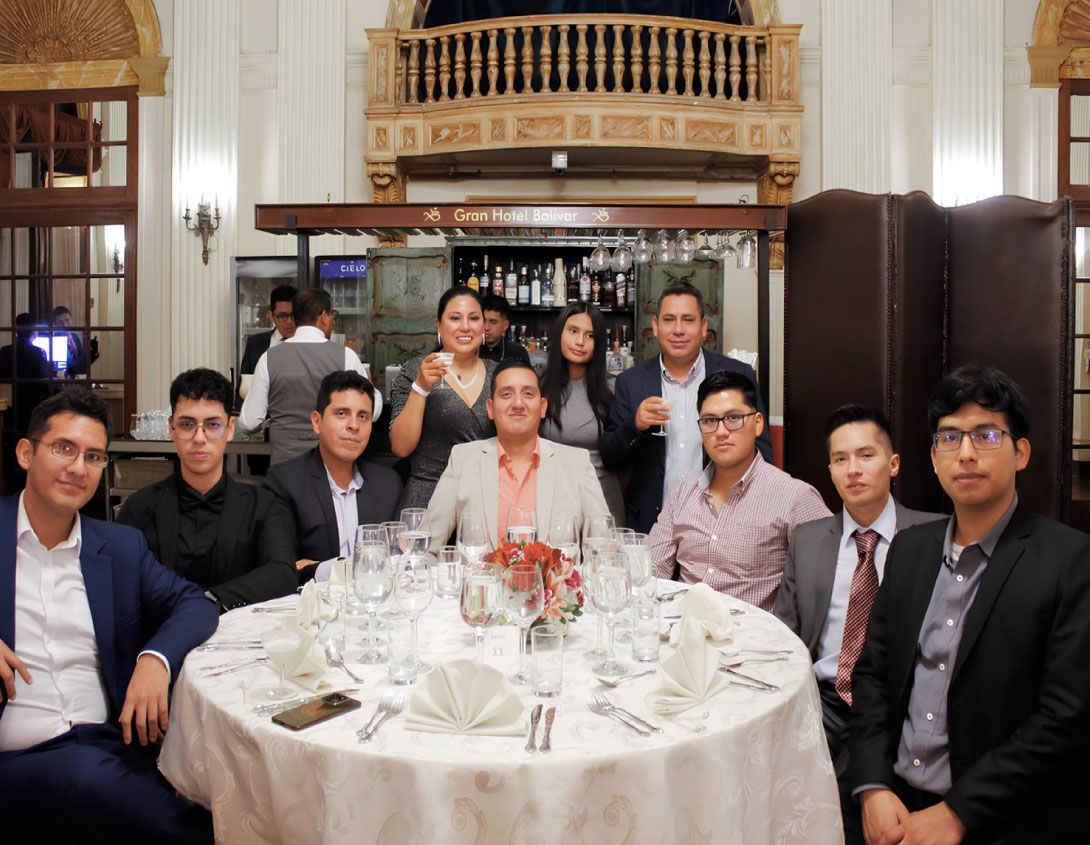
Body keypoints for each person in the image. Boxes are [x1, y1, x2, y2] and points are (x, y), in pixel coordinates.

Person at [851, 366, 1090, 845]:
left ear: (1021, 453)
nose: (965, 453)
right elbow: (872, 675)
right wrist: (872, 785)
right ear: (933, 457)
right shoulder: (910, 549)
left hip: (1000, 817)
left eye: (986, 435)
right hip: (894, 805)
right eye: (949, 438)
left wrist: (959, 812)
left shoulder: (1070, 561)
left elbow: (1066, 717)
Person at [0, 387, 217, 843]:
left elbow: (194, 603)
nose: (78, 467)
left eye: (94, 456)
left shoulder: (119, 547)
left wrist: (155, 659)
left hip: (108, 745)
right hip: (19, 755)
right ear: (26, 453)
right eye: (63, 448)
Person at [774, 404, 942, 840]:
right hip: (822, 703)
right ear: (829, 471)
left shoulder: (934, 537)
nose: (853, 469)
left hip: (899, 707)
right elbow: (785, 636)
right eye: (840, 459)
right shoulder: (808, 539)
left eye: (866, 455)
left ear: (894, 463)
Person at [648, 370, 829, 611]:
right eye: (710, 421)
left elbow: (828, 584)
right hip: (682, 624)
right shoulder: (683, 492)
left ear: (757, 424)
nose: (721, 432)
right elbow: (651, 569)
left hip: (750, 632)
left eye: (733, 418)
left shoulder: (795, 497)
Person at [117, 368, 296, 612]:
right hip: (162, 632)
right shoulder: (138, 508)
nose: (199, 438)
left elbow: (282, 573)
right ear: (171, 428)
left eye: (212, 425)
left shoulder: (262, 505)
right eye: (187, 424)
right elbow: (124, 581)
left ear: (230, 428)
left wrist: (210, 600)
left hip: (239, 632)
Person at [600, 283, 773, 534]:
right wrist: (635, 426)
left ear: (703, 327)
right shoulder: (631, 382)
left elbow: (762, 454)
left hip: (722, 522)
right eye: (669, 320)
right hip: (652, 523)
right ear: (656, 326)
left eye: (688, 320)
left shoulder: (737, 375)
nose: (678, 330)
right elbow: (610, 456)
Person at [425, 359, 610, 550]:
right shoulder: (463, 459)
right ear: (490, 409)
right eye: (506, 394)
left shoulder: (576, 463)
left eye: (528, 394)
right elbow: (426, 546)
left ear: (543, 407)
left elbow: (604, 549)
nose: (518, 403)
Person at [266, 370, 402, 583]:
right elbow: (282, 568)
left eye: (363, 416)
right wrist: (341, 568)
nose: (354, 425)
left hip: (375, 596)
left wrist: (317, 567)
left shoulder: (388, 483)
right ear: (317, 422)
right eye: (341, 413)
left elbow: (395, 559)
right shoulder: (285, 482)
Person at [238, 287, 381, 464]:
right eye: (332, 315)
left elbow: (249, 422)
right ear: (323, 316)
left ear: (295, 317)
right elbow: (373, 411)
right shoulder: (346, 357)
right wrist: (371, 385)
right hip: (330, 466)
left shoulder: (269, 358)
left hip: (284, 466)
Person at [390, 286, 497, 509]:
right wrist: (420, 388)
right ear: (439, 325)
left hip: (484, 499)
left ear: (483, 326)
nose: (465, 326)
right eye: (455, 318)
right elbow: (401, 447)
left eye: (474, 318)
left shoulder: (499, 375)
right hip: (427, 499)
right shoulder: (415, 371)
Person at [539, 301, 625, 526]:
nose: (580, 341)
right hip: (552, 499)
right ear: (560, 333)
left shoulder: (614, 388)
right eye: (573, 331)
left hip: (602, 498)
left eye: (590, 335)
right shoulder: (538, 386)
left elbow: (625, 459)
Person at [479, 293, 531, 365]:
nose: (486, 327)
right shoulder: (473, 350)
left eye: (493, 322)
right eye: (484, 321)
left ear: (505, 325)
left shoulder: (517, 353)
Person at [52, 305, 97, 375]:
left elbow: (81, 360)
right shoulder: (55, 341)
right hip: (64, 378)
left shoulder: (74, 337)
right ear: (55, 325)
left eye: (67, 320)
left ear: (71, 320)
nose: (65, 325)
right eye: (60, 322)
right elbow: (62, 367)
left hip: (80, 377)